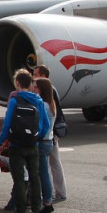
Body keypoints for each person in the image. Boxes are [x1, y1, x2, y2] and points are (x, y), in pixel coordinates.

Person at [0, 68, 50, 213]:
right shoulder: (39, 101)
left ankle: (20, 212)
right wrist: (37, 137)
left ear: (17, 83)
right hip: (33, 144)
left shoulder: (15, 100)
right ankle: (35, 212)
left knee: (20, 179)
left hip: (16, 144)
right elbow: (46, 125)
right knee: (35, 177)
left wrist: (1, 142)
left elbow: (7, 124)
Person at [33, 64, 68, 202]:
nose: (33, 76)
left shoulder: (46, 96)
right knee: (55, 163)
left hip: (48, 134)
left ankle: (50, 193)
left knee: (46, 165)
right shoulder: (52, 93)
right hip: (53, 132)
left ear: (43, 76)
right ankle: (60, 191)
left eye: (35, 74)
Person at [33, 76, 58, 213]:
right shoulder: (51, 104)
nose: (33, 88)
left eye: (36, 86)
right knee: (44, 172)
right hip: (49, 140)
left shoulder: (43, 105)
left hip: (42, 141)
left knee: (42, 174)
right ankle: (47, 201)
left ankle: (47, 203)